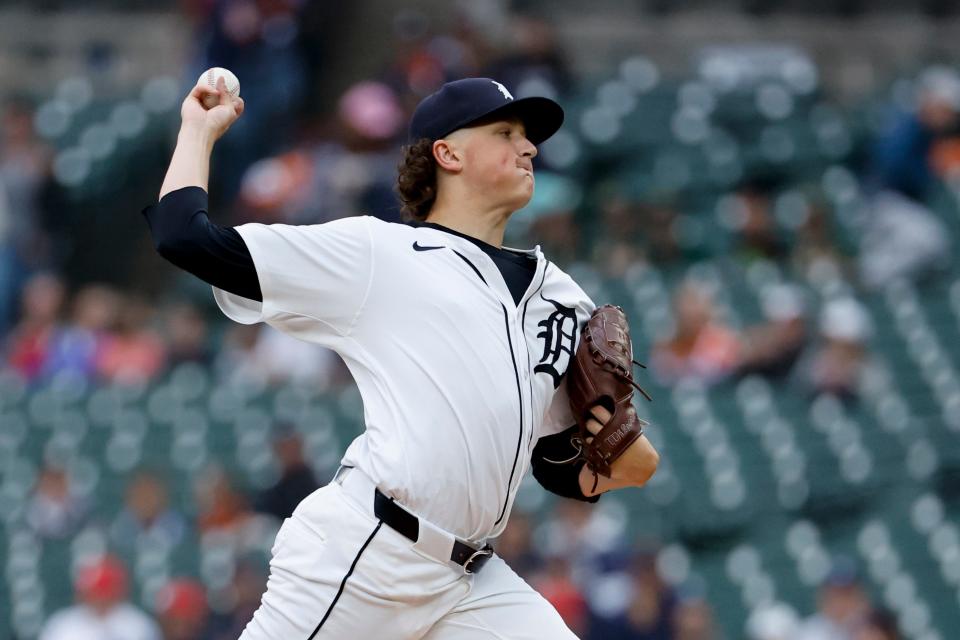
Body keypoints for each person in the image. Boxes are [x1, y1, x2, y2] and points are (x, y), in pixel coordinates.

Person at [143, 75, 659, 639]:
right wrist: (198, 130)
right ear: (448, 153)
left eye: (527, 137)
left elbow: (553, 462)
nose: (529, 147)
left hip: (471, 581)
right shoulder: (380, 256)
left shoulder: (563, 300)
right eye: (506, 132)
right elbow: (184, 238)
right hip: (365, 557)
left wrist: (617, 463)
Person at [38, 555, 160, 640]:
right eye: (93, 593)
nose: (98, 599)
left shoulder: (138, 624)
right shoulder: (62, 624)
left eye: (103, 594)